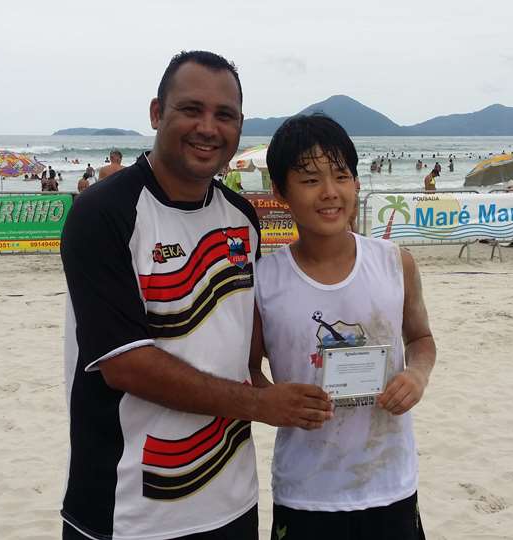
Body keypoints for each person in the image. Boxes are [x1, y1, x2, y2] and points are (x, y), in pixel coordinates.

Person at [59, 50, 333, 540]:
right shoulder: (103, 213)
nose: (208, 128)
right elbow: (126, 364)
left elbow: (242, 346)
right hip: (129, 510)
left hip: (233, 501)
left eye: (224, 115)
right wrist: (262, 405)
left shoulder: (242, 218)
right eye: (191, 109)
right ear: (156, 113)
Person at [253, 113, 435, 540]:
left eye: (341, 176)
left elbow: (421, 339)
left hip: (390, 482)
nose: (330, 192)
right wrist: (270, 401)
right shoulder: (264, 281)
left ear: (356, 182)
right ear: (279, 191)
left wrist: (416, 376)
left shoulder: (395, 263)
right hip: (307, 493)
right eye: (310, 180)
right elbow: (247, 369)